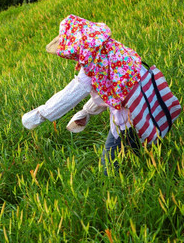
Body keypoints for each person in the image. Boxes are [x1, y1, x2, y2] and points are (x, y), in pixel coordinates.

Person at [22, 14, 146, 175]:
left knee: (108, 164)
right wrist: (86, 112)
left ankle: (118, 189)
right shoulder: (111, 48)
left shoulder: (90, 68)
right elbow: (110, 88)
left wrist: (38, 116)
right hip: (146, 104)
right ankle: (140, 169)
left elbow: (68, 97)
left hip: (128, 117)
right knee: (135, 150)